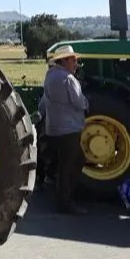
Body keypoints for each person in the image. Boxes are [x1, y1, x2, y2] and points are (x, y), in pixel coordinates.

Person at [42, 44, 90, 215]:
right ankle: (65, 201)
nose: (76, 63)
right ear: (64, 60)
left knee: (62, 163)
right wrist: (88, 103)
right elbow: (78, 102)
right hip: (69, 129)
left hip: (53, 128)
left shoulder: (50, 76)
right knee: (74, 163)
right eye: (74, 60)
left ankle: (57, 191)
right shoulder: (69, 79)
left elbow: (44, 100)